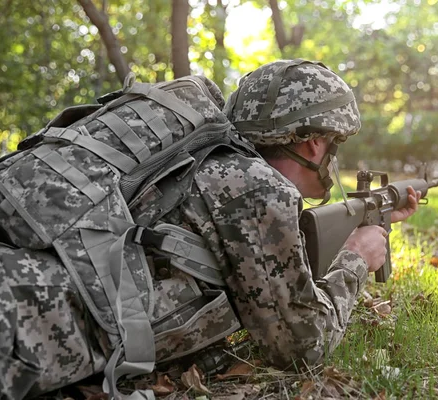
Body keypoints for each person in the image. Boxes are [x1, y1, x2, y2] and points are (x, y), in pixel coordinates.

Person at [160, 59, 422, 368]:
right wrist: (356, 259)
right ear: (314, 143)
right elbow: (303, 347)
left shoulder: (215, 165)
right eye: (335, 143)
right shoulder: (258, 189)